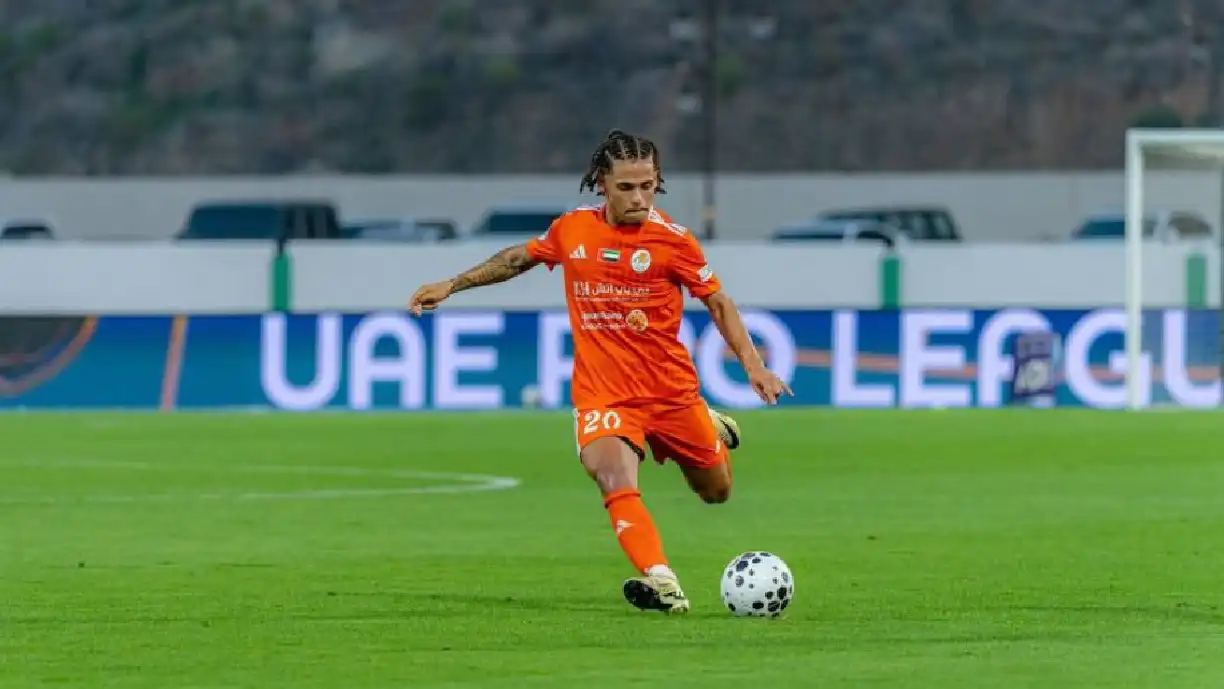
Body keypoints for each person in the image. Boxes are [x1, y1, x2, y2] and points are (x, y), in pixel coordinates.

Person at [409, 129, 792, 614]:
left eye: (648, 186)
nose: (639, 198)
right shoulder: (573, 230)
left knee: (716, 492)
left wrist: (754, 367)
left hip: (671, 394)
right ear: (601, 184)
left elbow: (717, 302)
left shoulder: (674, 242)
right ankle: (662, 581)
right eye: (627, 187)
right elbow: (516, 259)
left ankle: (710, 425)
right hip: (604, 395)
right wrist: (452, 284)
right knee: (613, 475)